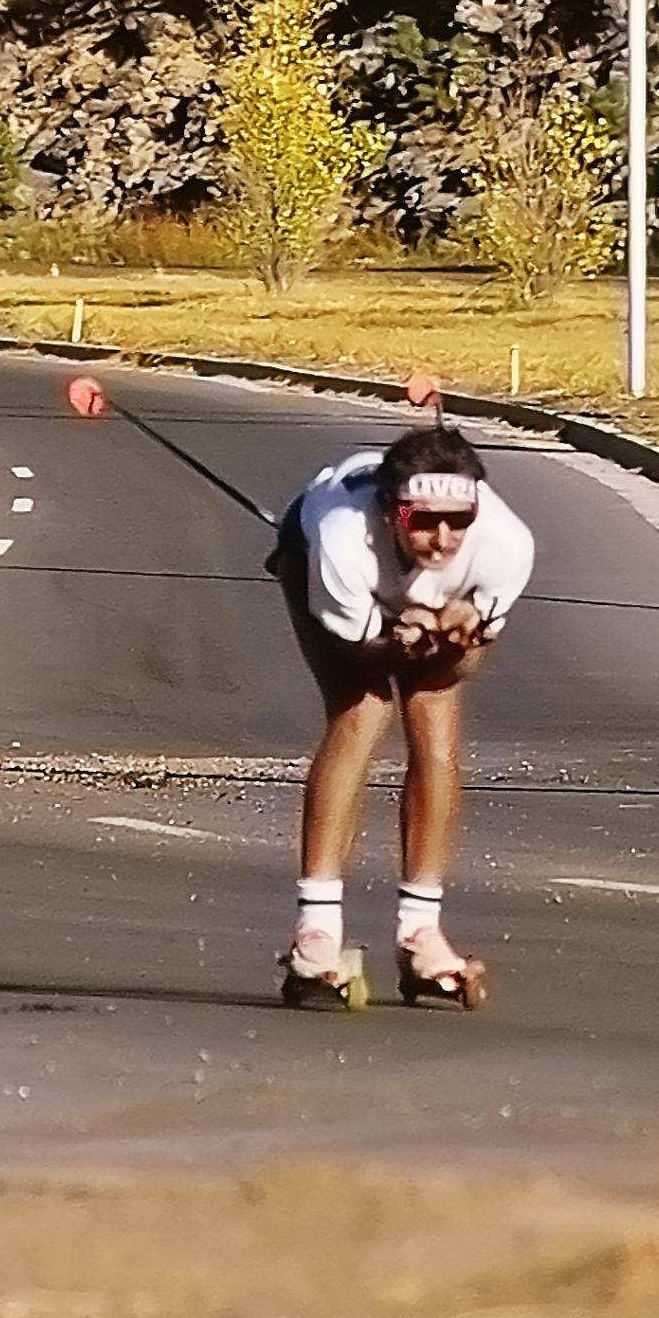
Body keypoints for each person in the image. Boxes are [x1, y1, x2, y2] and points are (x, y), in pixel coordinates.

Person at [271, 422, 534, 1009]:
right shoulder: (343, 541)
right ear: (391, 512)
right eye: (423, 521)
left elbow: (465, 663)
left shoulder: (508, 546)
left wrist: (461, 635)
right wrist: (398, 638)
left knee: (436, 721)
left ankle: (420, 931)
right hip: (315, 561)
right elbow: (358, 655)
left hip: (422, 602)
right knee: (363, 710)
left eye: (458, 521)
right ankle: (317, 929)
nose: (442, 540)